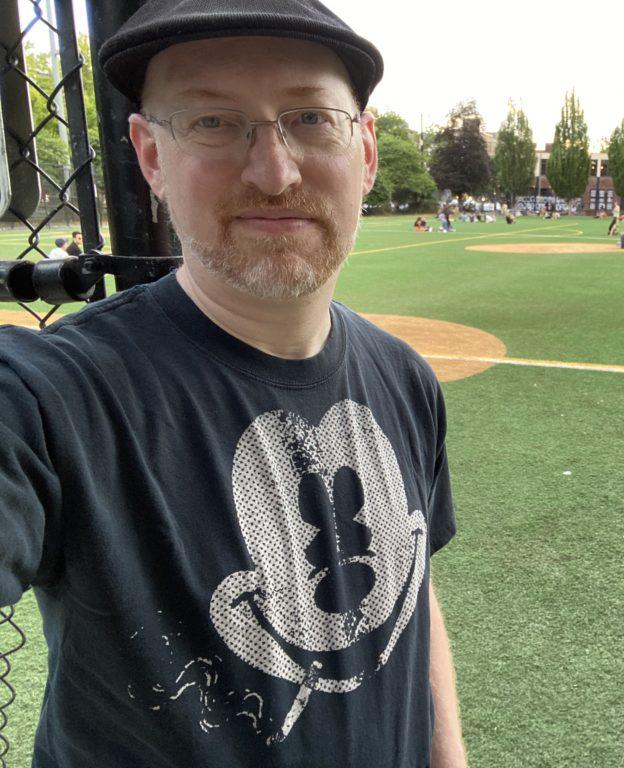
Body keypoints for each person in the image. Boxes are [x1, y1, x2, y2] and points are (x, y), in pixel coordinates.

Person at [0, 2, 466, 767]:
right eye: (214, 123)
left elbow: (415, 597)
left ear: (367, 149)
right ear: (150, 156)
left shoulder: (404, 376)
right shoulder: (57, 397)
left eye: (311, 118)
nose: (274, 171)